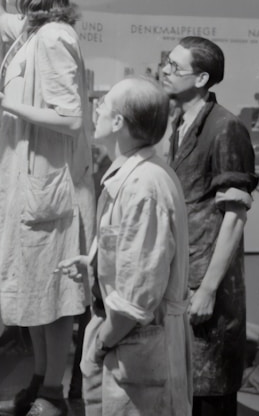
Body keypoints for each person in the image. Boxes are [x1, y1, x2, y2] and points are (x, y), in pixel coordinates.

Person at [0, 0, 96, 415]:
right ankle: (39, 383)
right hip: (28, 185)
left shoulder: (54, 36)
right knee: (36, 293)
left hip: (50, 189)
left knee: (53, 297)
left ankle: (53, 393)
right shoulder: (32, 31)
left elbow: (70, 117)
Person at [58, 76, 192, 416]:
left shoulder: (143, 186)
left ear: (118, 122)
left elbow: (136, 299)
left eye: (101, 105)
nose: (95, 111)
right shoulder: (134, 176)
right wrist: (95, 263)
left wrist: (101, 343)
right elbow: (134, 256)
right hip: (127, 343)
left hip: (134, 348)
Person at [161, 36, 259, 416]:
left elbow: (235, 217)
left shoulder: (226, 128)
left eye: (175, 66)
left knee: (211, 394)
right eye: (166, 63)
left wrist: (208, 289)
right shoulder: (181, 123)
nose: (165, 71)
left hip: (208, 283)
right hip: (185, 273)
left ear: (201, 79)